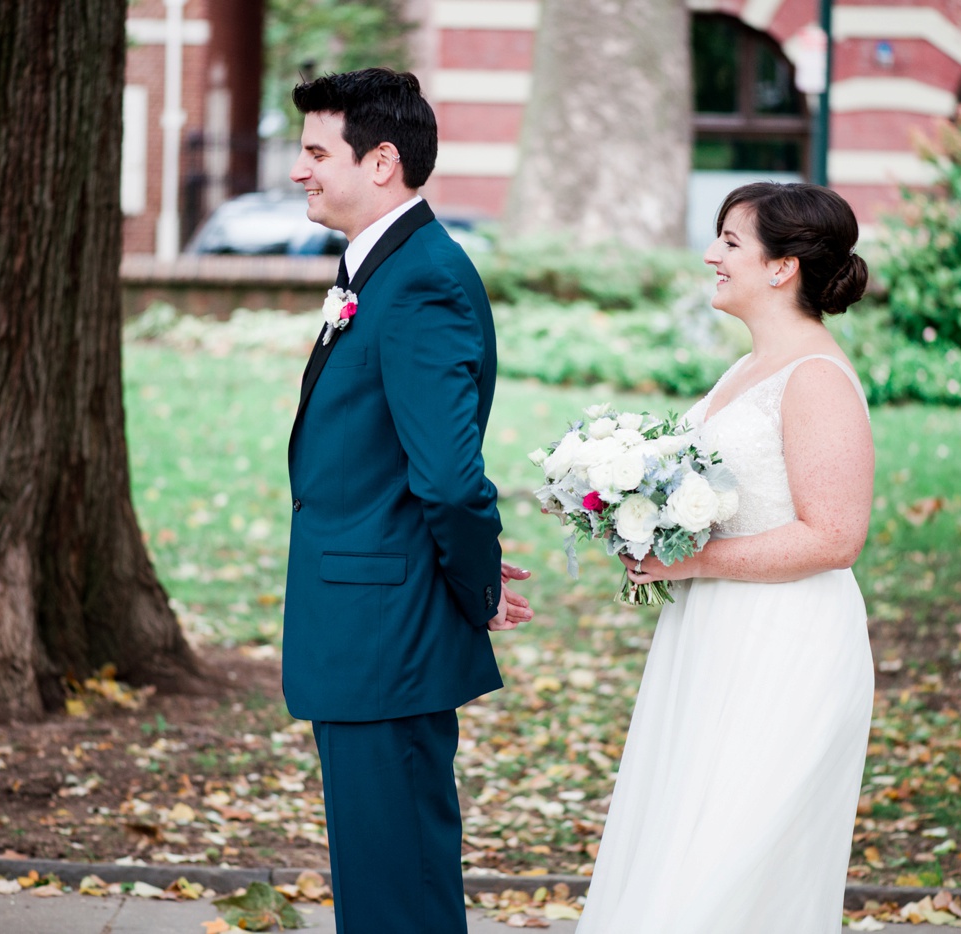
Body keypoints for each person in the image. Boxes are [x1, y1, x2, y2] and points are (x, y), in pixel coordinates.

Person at [576, 182, 875, 933]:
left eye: (731, 243)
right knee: (684, 840)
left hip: (786, 647)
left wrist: (691, 562)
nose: (711, 255)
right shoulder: (750, 368)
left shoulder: (814, 377)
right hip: (713, 639)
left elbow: (835, 535)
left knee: (731, 864)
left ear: (782, 268)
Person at [282, 68, 532, 934]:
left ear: (381, 161)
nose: (298, 169)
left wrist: (478, 587)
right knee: (380, 873)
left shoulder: (421, 280)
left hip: (386, 631)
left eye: (316, 151)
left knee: (399, 884)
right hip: (365, 624)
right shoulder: (384, 269)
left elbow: (451, 480)